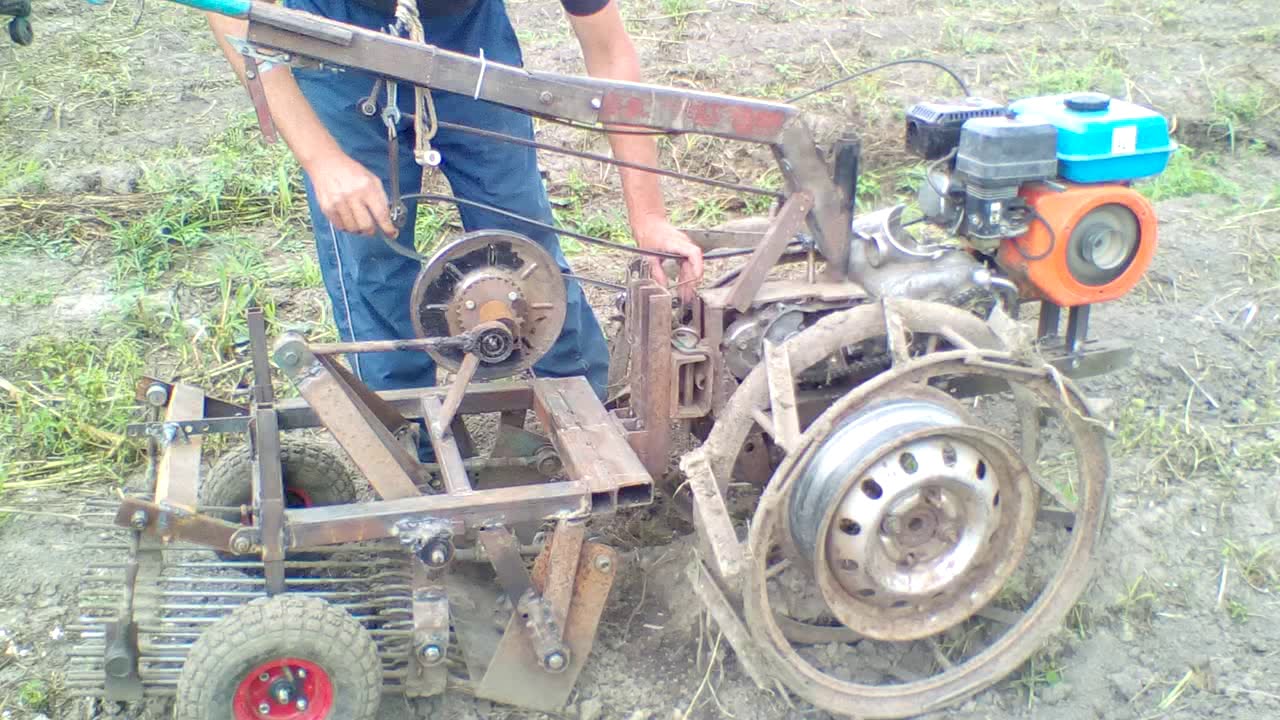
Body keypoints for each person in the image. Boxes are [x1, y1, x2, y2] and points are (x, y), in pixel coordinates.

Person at [206, 0, 703, 400]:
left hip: (467, 35)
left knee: (522, 238)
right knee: (371, 255)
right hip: (331, 35)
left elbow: (609, 52)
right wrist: (323, 160)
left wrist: (649, 217)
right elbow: (231, 13)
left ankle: (583, 405)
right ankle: (406, 439)